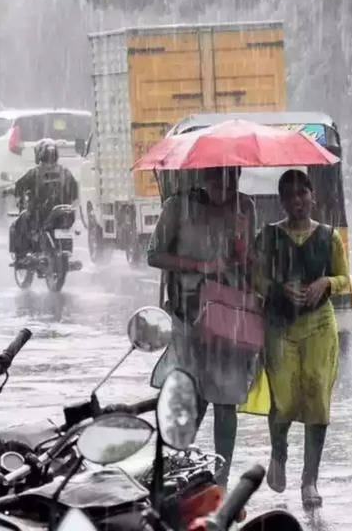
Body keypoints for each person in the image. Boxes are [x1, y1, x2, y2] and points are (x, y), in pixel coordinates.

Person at [148, 166, 257, 486]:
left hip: (229, 317)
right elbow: (154, 255)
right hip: (187, 315)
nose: (226, 189)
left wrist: (241, 243)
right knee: (189, 399)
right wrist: (201, 266)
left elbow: (249, 261)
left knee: (226, 402)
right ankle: (179, 476)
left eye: (232, 180)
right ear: (205, 180)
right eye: (218, 181)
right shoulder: (176, 207)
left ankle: (221, 482)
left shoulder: (245, 207)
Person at [253, 169, 348, 509]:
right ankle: (279, 452)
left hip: (320, 326)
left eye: (302, 194)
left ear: (312, 196)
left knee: (317, 399)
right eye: (289, 196)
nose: (297, 201)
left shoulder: (328, 238)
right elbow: (256, 279)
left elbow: (344, 278)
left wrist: (327, 284)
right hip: (280, 327)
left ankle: (310, 481)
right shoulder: (268, 237)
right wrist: (279, 289)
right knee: (286, 399)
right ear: (281, 201)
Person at [9, 138, 79, 258]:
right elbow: (75, 193)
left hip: (40, 215)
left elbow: (19, 187)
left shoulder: (34, 173)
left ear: (39, 154)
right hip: (63, 215)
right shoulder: (66, 172)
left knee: (18, 223)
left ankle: (22, 256)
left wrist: (12, 193)